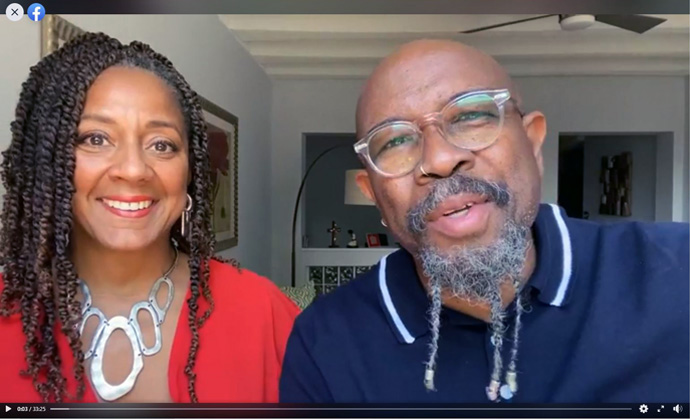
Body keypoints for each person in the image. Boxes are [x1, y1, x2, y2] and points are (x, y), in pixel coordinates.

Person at [279, 39, 689, 403]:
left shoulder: (677, 273)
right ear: (373, 195)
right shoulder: (325, 344)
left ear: (532, 141)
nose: (439, 160)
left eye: (470, 117)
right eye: (396, 141)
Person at [0, 32, 299, 403]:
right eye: (96, 138)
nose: (133, 169)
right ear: (47, 161)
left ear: (190, 172)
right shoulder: (7, 312)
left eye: (162, 145)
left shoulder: (261, 312)